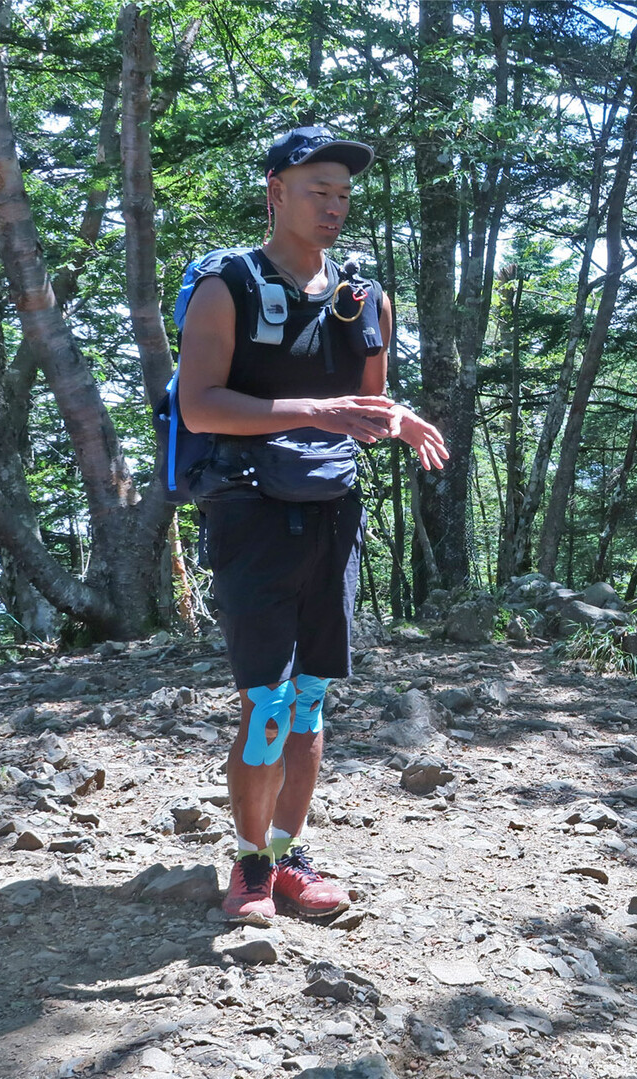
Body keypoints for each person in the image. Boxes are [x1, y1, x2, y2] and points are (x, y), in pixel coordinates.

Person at [178, 126, 448, 923]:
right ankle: (250, 865)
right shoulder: (225, 286)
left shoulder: (365, 299)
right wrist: (318, 410)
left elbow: (367, 406)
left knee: (310, 698)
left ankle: (289, 852)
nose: (333, 206)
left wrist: (395, 420)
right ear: (276, 192)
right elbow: (201, 404)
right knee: (264, 699)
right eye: (316, 191)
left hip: (332, 507)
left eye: (342, 194)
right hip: (250, 509)